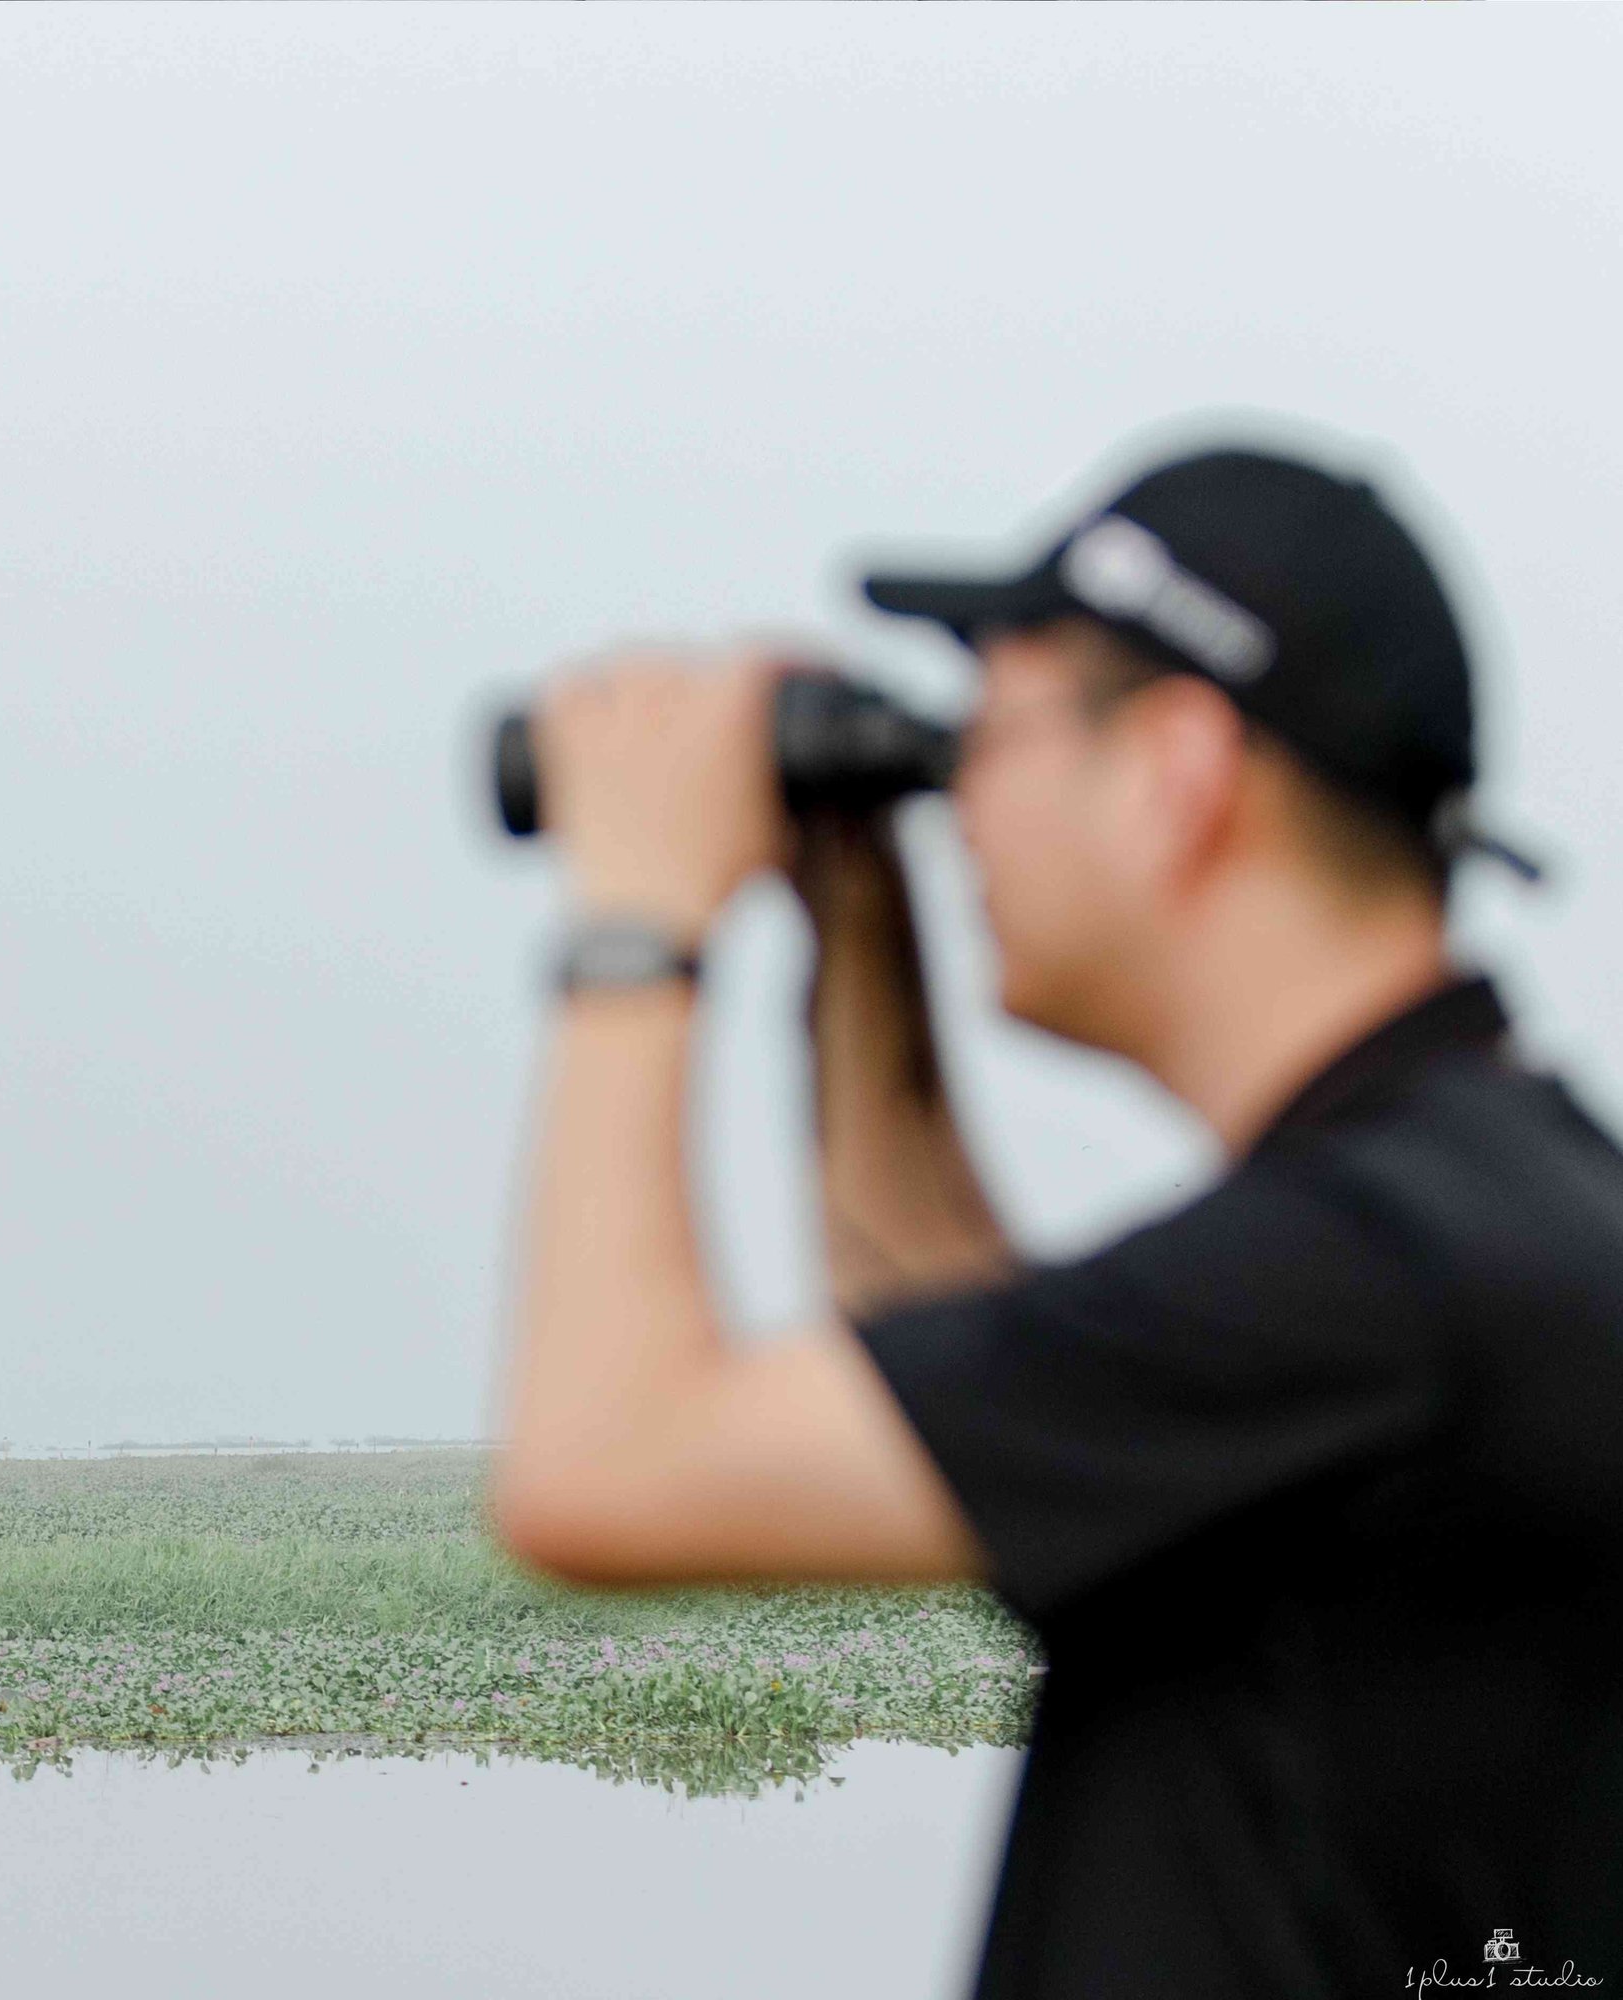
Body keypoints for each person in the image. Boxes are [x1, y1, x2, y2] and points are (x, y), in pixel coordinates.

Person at [488, 442, 1623, 1996]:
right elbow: (987, 1413)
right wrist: (860, 936)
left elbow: (600, 1472)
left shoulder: (1359, 1274)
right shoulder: (1481, 1215)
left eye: (995, 735)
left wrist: (638, 919)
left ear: (1178, 772)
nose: (962, 805)